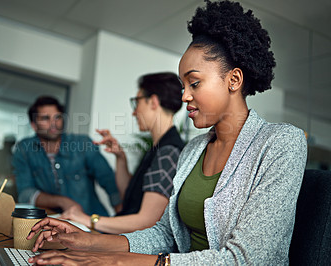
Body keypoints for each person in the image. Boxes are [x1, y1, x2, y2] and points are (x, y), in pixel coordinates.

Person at [26, 1, 307, 265]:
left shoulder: (281, 143)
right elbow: (164, 235)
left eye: (194, 83)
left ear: (233, 80)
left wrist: (113, 260)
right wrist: (88, 242)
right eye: (183, 85)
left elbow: (247, 259)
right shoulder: (193, 150)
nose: (184, 96)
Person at [60, 72, 185, 234]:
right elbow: (130, 198)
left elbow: (146, 221)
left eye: (137, 102)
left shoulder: (168, 152)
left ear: (153, 102)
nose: (134, 112)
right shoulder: (159, 147)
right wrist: (121, 158)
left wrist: (88, 219)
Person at [12, 96, 121, 216]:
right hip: (51, 223)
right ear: (34, 125)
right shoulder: (24, 149)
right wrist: (61, 201)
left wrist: (121, 214)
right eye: (45, 118)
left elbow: (108, 179)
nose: (53, 123)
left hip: (91, 221)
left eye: (57, 117)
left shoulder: (83, 144)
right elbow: (25, 193)